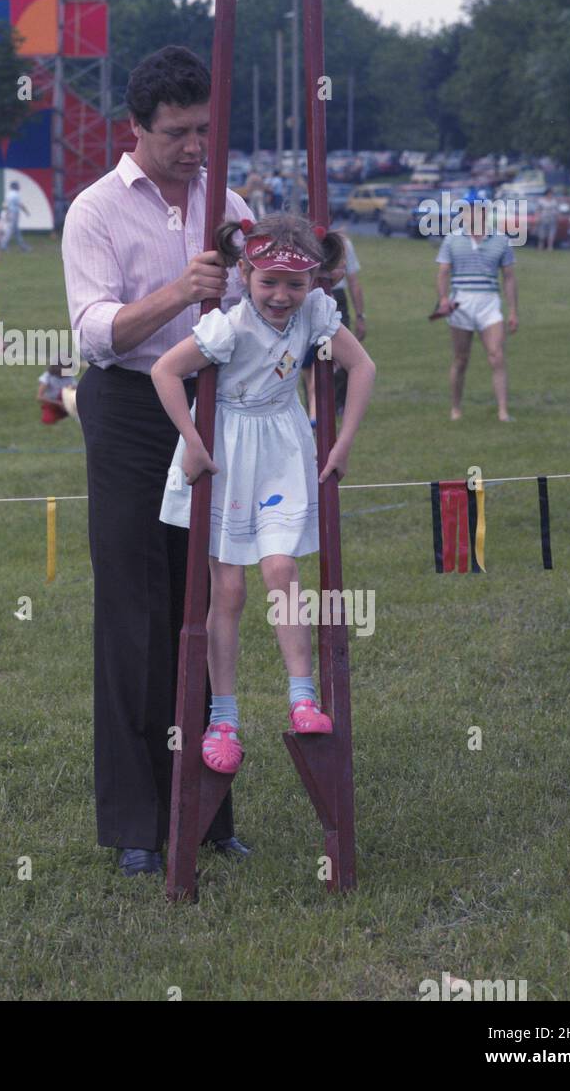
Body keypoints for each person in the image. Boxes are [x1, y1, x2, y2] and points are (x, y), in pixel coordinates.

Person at [61, 43, 257, 877]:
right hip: (131, 412)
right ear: (135, 127)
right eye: (176, 132)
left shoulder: (230, 202)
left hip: (213, 408)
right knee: (134, 612)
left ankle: (209, 812)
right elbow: (96, 331)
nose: (192, 147)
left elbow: (257, 316)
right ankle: (138, 823)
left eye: (203, 130)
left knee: (208, 604)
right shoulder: (94, 211)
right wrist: (181, 290)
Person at [153, 213, 376, 773]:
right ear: (246, 275)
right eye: (268, 281)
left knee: (282, 570)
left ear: (313, 283)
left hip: (281, 448)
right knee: (226, 589)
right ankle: (223, 718)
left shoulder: (317, 314)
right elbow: (164, 371)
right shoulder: (228, 326)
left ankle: (302, 696)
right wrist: (192, 442)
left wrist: (342, 443)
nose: (281, 295)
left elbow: (363, 366)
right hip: (226, 452)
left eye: (295, 284)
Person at [435, 200, 517, 422]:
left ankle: (503, 411)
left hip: (489, 303)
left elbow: (509, 277)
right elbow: (443, 272)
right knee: (461, 359)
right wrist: (443, 299)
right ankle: (456, 408)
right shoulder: (452, 239)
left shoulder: (501, 240)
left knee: (496, 355)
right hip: (461, 303)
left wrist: (512, 311)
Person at [301, 231, 366, 424]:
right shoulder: (301, 239)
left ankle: (323, 406)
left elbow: (352, 280)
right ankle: (313, 408)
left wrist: (360, 315)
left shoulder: (342, 243)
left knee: (325, 359)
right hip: (307, 300)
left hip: (332, 300)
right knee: (309, 363)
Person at [4, 180, 31, 251]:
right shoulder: (16, 194)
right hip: (14, 213)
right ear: (15, 186)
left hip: (10, 213)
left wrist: (7, 214)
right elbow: (20, 204)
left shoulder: (9, 194)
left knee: (16, 231)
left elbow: (6, 206)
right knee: (10, 230)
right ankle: (3, 244)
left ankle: (22, 246)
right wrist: (26, 212)